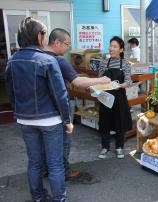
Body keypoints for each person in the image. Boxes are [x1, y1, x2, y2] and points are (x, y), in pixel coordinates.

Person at [5, 17, 71, 202]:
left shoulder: (12, 62)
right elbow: (60, 95)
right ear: (38, 35)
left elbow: (11, 93)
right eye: (44, 33)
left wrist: (18, 114)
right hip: (50, 120)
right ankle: (59, 199)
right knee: (55, 164)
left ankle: (38, 198)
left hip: (25, 120)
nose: (45, 37)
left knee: (34, 162)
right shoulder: (48, 60)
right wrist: (67, 121)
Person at [44, 28, 111, 182]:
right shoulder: (58, 60)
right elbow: (78, 82)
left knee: (48, 143)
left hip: (43, 109)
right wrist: (101, 80)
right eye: (66, 44)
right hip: (59, 107)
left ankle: (48, 169)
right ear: (57, 42)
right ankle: (64, 172)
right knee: (64, 140)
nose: (67, 48)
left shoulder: (38, 57)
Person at [95, 36, 132, 159]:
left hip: (119, 97)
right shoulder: (104, 63)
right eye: (110, 46)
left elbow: (128, 81)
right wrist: (98, 86)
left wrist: (120, 85)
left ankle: (119, 147)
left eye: (114, 46)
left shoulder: (126, 64)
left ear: (121, 49)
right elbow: (99, 79)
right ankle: (105, 147)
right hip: (106, 97)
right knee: (105, 122)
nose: (111, 48)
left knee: (120, 122)